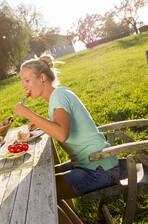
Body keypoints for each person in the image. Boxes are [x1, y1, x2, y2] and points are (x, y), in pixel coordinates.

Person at [14, 55, 119, 224]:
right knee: (43, 176)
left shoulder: (59, 96)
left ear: (42, 78)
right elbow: (59, 125)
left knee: (39, 192)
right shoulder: (58, 96)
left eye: (26, 80)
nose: (23, 85)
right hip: (91, 163)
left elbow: (62, 133)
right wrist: (39, 124)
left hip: (99, 169)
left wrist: (28, 113)